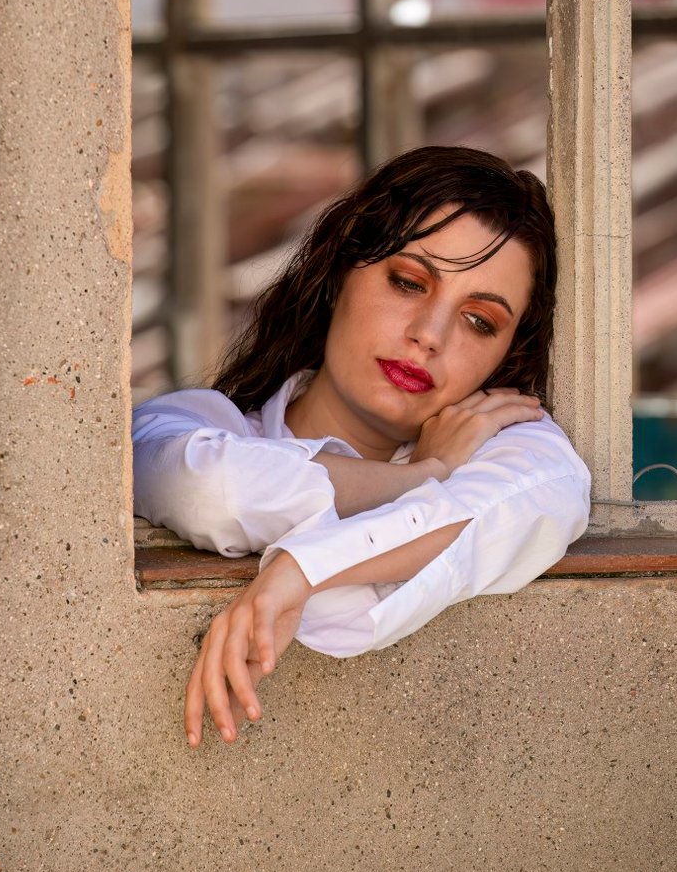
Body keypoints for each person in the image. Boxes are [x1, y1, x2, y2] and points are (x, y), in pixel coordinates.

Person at [132, 146, 592, 748]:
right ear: (338, 274)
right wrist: (426, 473)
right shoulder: (197, 424)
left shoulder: (504, 440)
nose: (429, 336)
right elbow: (212, 488)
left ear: (507, 355)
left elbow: (549, 491)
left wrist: (299, 573)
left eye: (480, 321)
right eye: (409, 283)